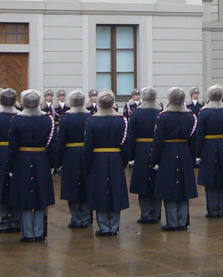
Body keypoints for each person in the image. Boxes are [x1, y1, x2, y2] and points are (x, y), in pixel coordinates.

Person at [7, 90, 56, 243]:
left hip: (22, 160)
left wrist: (11, 166)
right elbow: (52, 144)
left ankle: (28, 233)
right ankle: (39, 232)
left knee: (25, 197)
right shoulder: (47, 119)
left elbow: (13, 146)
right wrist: (52, 163)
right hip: (41, 159)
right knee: (41, 197)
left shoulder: (16, 120)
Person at [150, 87, 199, 231]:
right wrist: (192, 157)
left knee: (169, 189)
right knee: (184, 189)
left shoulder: (163, 117)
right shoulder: (190, 117)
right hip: (184, 152)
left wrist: (154, 160)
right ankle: (182, 222)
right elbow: (194, 140)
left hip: (167, 154)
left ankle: (172, 222)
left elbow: (157, 141)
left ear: (170, 100)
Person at [84, 90, 130, 236]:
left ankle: (104, 226)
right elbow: (125, 145)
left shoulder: (92, 121)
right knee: (115, 192)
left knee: (100, 192)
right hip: (116, 158)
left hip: (98, 159)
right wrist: (122, 162)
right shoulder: (121, 120)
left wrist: (88, 165)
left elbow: (88, 146)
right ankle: (114, 226)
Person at [56, 90, 92, 228]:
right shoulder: (90, 116)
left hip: (70, 155)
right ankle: (86, 217)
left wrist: (57, 162)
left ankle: (76, 218)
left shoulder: (65, 118)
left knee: (72, 187)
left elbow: (61, 141)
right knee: (86, 185)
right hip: (86, 153)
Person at [127, 87, 162, 223]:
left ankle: (146, 214)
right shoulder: (160, 112)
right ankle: (156, 213)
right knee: (156, 182)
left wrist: (131, 155)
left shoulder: (136, 113)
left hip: (141, 150)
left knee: (143, 183)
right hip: (157, 149)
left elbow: (132, 135)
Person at [195, 85, 223, 218]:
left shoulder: (204, 112)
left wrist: (198, 153)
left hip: (208, 146)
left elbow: (199, 134)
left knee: (210, 179)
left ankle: (212, 209)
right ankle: (221, 208)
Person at [0, 89, 20, 235]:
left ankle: (4, 220)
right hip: (17, 155)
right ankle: (16, 219)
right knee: (15, 187)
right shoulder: (19, 116)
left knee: (0, 188)